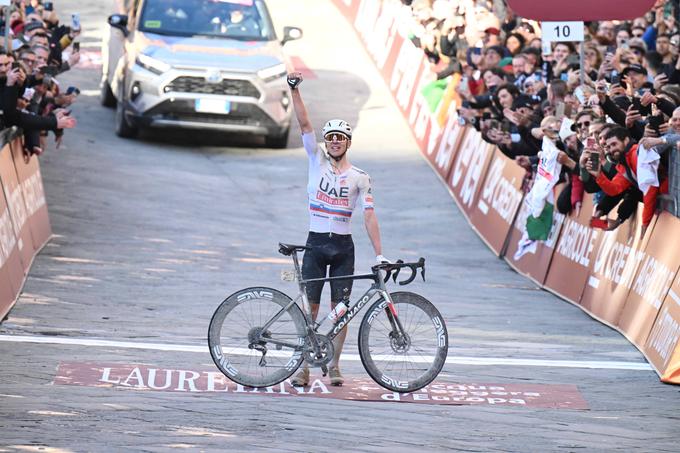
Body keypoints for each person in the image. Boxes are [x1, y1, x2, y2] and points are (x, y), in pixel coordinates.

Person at [286, 72, 387, 387]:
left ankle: (336, 364)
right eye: (330, 137)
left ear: (348, 142)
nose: (334, 141)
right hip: (316, 243)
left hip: (343, 247)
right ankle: (303, 366)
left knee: (341, 310)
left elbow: (369, 216)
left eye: (339, 138)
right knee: (311, 308)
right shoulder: (315, 159)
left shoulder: (360, 177)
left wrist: (380, 254)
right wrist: (295, 90)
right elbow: (304, 125)